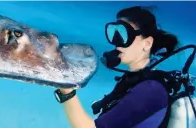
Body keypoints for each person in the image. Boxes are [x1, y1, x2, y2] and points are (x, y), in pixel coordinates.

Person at [53, 6, 181, 128]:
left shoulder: (150, 90)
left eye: (125, 34)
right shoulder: (133, 79)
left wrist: (66, 91)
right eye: (115, 32)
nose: (116, 41)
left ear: (147, 44)